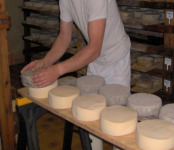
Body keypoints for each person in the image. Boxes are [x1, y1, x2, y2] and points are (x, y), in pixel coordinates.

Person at [21, 0, 131, 149]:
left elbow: (94, 48)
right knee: (90, 117)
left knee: (119, 126)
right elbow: (64, 37)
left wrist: (57, 70)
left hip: (116, 59)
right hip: (96, 61)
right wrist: (45, 62)